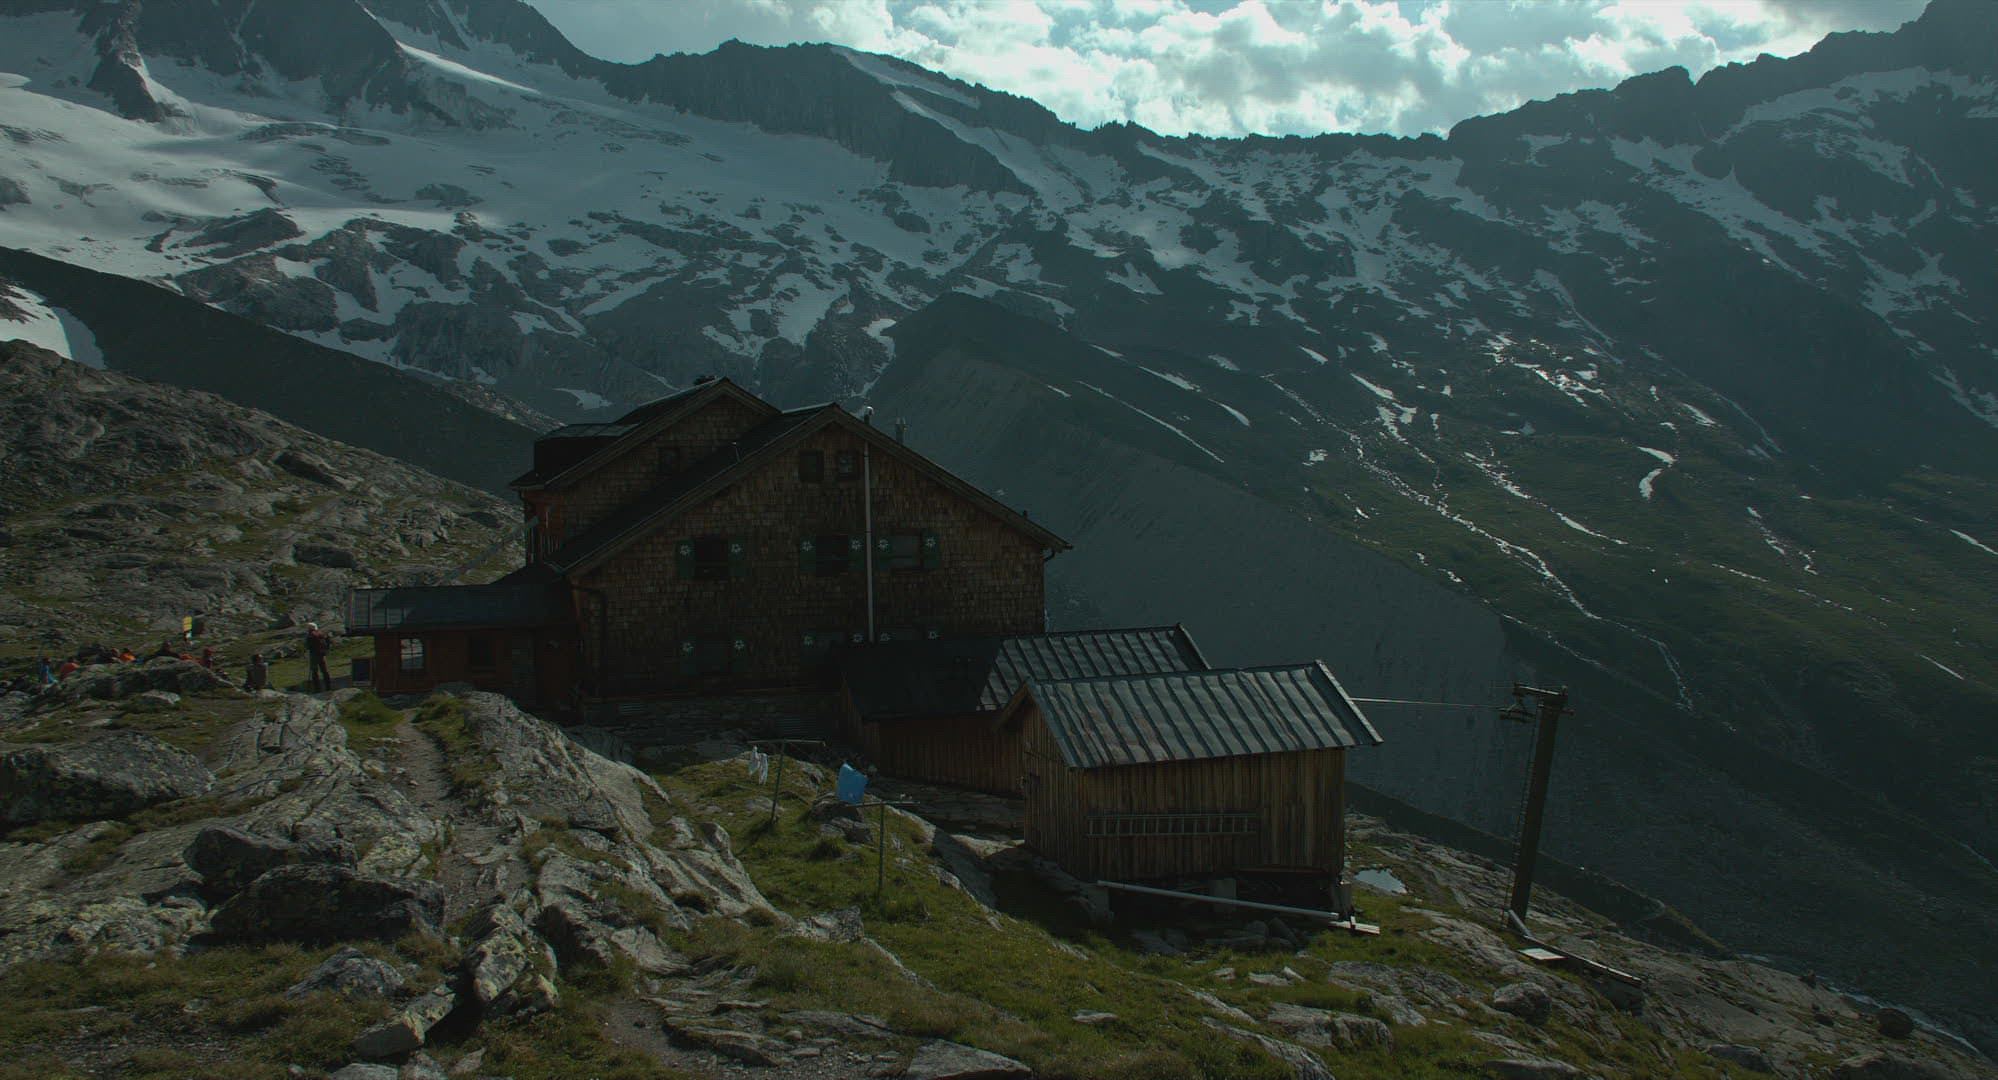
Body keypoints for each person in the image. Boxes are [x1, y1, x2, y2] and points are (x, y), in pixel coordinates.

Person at [305, 623, 332, 692]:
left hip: (314, 655)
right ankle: (328, 687)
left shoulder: (310, 635)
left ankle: (317, 688)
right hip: (322, 654)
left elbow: (308, 646)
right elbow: (328, 641)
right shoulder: (321, 634)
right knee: (325, 671)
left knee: (314, 672)